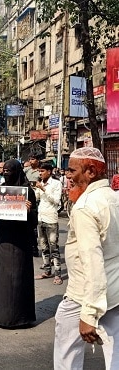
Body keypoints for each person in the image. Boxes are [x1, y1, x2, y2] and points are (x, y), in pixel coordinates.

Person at [54, 147, 119, 368]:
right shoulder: (114, 198)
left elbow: (92, 262)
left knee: (67, 356)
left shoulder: (84, 207)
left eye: (72, 170)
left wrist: (88, 315)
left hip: (83, 296)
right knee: (115, 356)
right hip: (114, 293)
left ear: (90, 171)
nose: (68, 176)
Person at [0, 159, 37, 329]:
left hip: (19, 242)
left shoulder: (27, 192)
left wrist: (29, 210)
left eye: (10, 171)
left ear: (17, 171)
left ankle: (19, 317)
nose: (7, 174)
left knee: (17, 279)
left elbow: (34, 222)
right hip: (1, 240)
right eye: (5, 171)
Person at [33, 163, 63, 285]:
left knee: (53, 247)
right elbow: (36, 198)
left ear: (49, 172)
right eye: (39, 171)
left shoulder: (56, 184)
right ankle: (47, 270)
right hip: (41, 217)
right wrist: (37, 190)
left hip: (51, 219)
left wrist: (44, 189)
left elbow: (56, 201)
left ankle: (58, 274)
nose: (40, 173)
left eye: (42, 171)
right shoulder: (41, 183)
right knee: (43, 247)